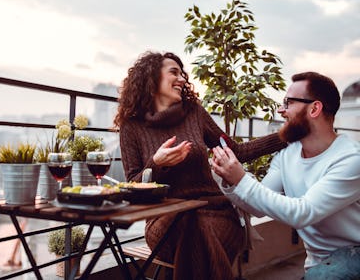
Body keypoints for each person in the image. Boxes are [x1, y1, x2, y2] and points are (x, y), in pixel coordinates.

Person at [113, 51, 288, 280]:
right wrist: (156, 164)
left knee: (198, 230)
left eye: (182, 74)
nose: (182, 79)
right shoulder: (131, 127)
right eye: (173, 72)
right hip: (164, 221)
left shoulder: (194, 113)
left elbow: (235, 152)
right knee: (191, 225)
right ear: (151, 78)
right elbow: (132, 187)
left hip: (216, 212)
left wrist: (286, 135)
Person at [211, 71, 360, 279]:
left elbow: (303, 212)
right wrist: (230, 179)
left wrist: (241, 179)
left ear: (314, 108)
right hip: (321, 264)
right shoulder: (287, 154)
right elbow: (257, 207)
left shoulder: (351, 159)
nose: (281, 110)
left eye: (288, 102)